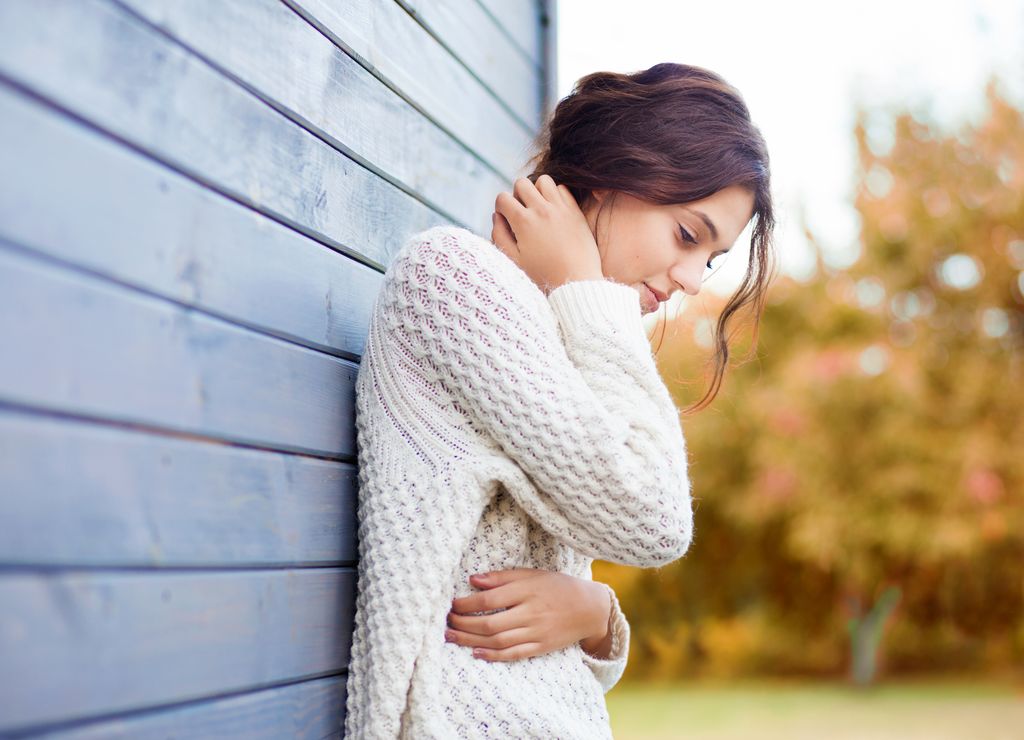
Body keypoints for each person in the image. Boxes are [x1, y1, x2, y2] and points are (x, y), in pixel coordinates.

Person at [344, 62, 776, 739]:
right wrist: (583, 283)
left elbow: (560, 665)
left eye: (713, 260)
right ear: (611, 174)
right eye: (688, 236)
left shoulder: (561, 336)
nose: (693, 279)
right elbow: (656, 519)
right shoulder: (456, 282)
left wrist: (597, 615)